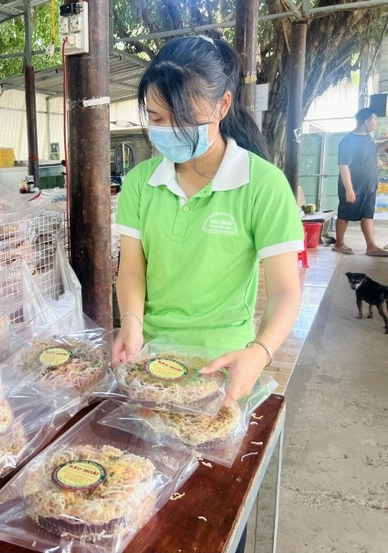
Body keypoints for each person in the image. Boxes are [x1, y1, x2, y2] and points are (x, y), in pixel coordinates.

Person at [112, 35, 304, 410]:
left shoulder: (262, 184)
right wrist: (131, 323)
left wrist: (259, 353)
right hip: (150, 360)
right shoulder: (140, 183)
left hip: (225, 363)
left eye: (184, 118)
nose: (169, 129)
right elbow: (132, 270)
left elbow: (285, 291)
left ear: (223, 106)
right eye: (156, 118)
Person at [332, 108, 388, 256]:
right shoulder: (348, 141)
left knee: (367, 215)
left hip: (369, 186)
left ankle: (371, 247)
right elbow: (343, 166)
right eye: (375, 119)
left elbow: (373, 152)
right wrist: (349, 189)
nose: (376, 123)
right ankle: (339, 244)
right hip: (353, 186)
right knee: (344, 214)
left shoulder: (368, 138)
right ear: (366, 121)